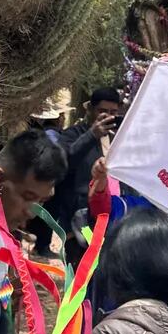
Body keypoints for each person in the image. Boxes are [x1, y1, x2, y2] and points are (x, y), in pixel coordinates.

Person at [0, 129, 69, 334]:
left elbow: (1, 293)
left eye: (41, 201)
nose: (33, 212)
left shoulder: (8, 239)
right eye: (28, 197)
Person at [47, 85, 125, 237]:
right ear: (90, 109)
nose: (108, 116)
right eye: (102, 111)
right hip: (77, 219)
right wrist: (91, 135)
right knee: (85, 256)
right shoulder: (73, 134)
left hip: (107, 216)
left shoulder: (115, 139)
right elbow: (63, 162)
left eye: (113, 113)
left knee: (102, 257)